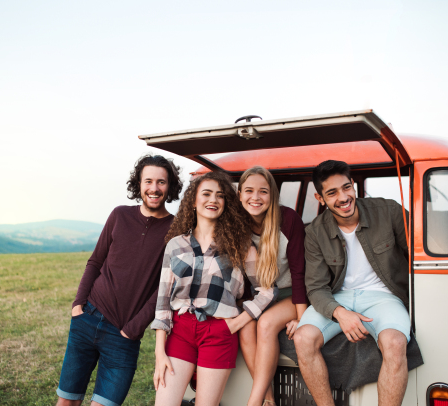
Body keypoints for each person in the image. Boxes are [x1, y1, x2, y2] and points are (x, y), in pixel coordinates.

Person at [55, 154, 182, 406]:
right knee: (66, 402)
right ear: (139, 184)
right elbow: (95, 262)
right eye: (148, 181)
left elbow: (164, 288)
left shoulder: (176, 230)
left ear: (170, 186)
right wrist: (78, 304)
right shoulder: (119, 215)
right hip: (88, 318)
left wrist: (134, 328)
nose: (154, 188)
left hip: (124, 336)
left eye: (161, 182)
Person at [151, 171, 277, 406]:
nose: (213, 200)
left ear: (226, 204)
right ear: (193, 201)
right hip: (180, 331)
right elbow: (162, 302)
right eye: (206, 194)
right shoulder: (175, 245)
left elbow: (267, 290)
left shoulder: (242, 247)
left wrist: (236, 323)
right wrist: (160, 352)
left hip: (219, 333)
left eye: (220, 196)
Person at [293, 160, 410, 406]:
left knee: (395, 342)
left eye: (346, 188)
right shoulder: (315, 232)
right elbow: (316, 287)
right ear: (320, 198)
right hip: (339, 298)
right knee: (302, 339)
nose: (343, 197)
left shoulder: (388, 211)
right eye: (332, 193)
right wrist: (340, 313)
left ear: (353, 186)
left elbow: (417, 254)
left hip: (384, 297)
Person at [236, 166, 307, 406]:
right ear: (239, 195)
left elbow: (299, 272)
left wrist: (302, 319)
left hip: (291, 294)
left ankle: (253, 403)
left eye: (263, 191)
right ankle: (268, 400)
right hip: (260, 296)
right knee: (246, 329)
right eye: (249, 191)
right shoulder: (236, 225)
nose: (255, 197)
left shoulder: (288, 219)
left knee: (265, 324)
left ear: (272, 195)